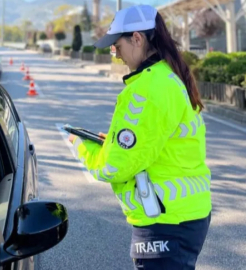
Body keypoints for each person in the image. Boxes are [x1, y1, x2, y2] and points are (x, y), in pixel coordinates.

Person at [68, 5, 211, 270]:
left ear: (137, 38)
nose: (116, 55)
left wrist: (82, 147)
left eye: (117, 46)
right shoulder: (169, 76)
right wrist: (112, 143)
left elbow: (114, 167)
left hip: (164, 222)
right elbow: (155, 144)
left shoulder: (147, 88)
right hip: (189, 214)